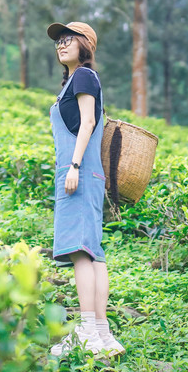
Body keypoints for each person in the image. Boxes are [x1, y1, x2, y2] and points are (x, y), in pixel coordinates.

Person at [46, 21, 125, 358]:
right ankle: (103, 334)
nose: (61, 45)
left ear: (85, 45)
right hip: (88, 173)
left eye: (68, 39)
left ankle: (88, 331)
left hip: (78, 171)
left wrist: (74, 166)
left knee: (81, 251)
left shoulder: (84, 76)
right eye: (58, 41)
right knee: (93, 253)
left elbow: (89, 122)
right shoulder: (77, 80)